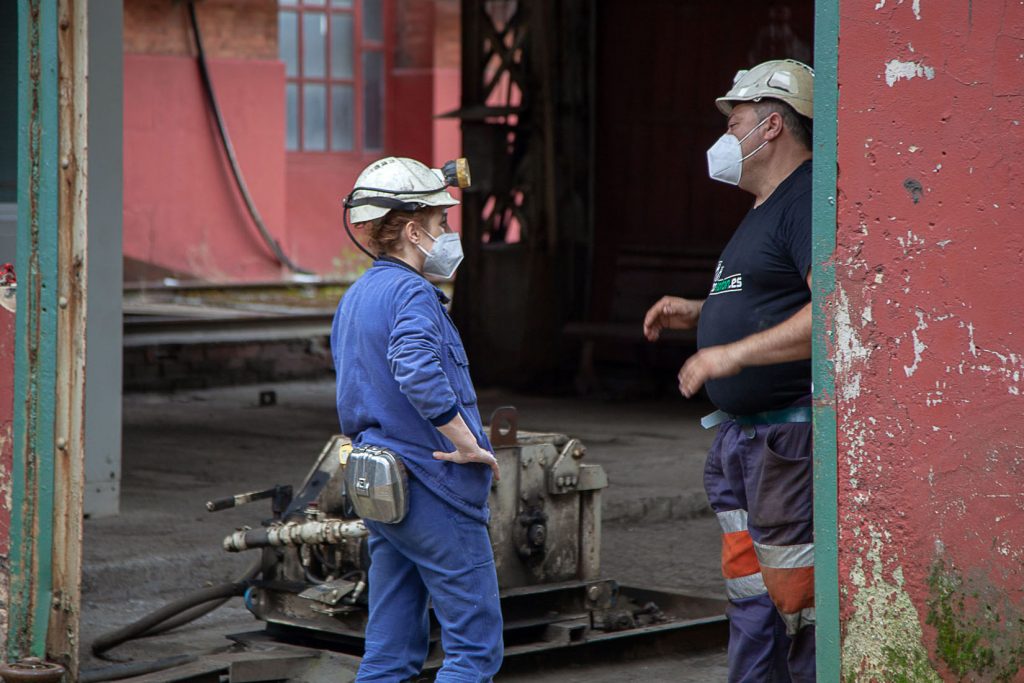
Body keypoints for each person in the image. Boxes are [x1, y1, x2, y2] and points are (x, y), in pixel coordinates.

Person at [643, 60, 816, 682]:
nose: (725, 137)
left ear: (772, 126)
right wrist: (702, 313)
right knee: (751, 595)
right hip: (745, 444)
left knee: (799, 601)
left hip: (785, 443)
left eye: (734, 123)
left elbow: (832, 312)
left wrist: (732, 353)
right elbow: (771, 295)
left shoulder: (807, 198)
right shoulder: (763, 207)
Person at [331, 156, 504, 682]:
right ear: (412, 231)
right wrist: (467, 443)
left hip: (384, 490)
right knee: (474, 653)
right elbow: (416, 369)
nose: (448, 233)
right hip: (434, 486)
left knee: (389, 653)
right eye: (440, 222)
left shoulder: (357, 296)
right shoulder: (412, 293)